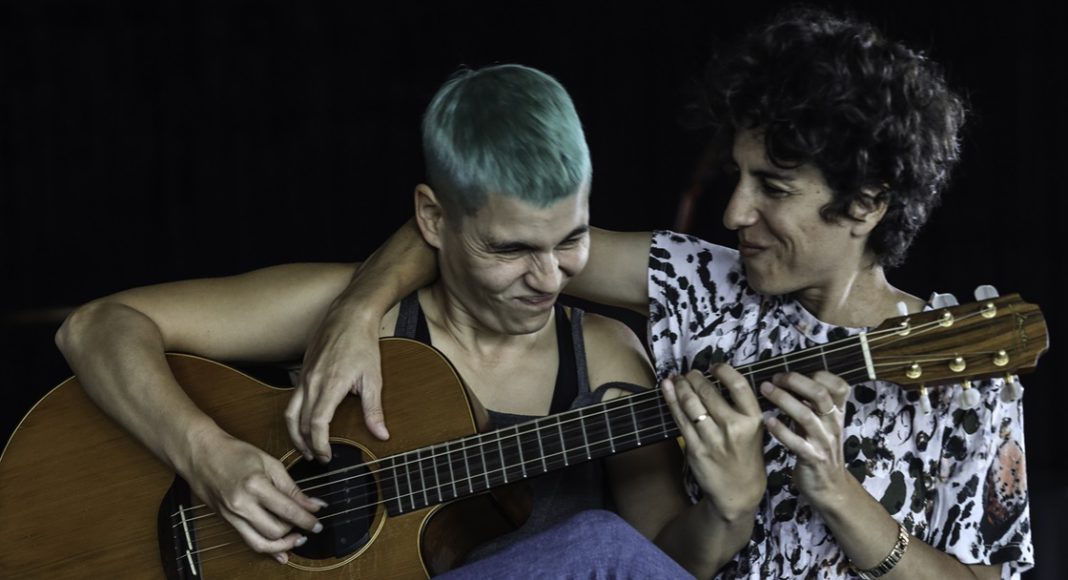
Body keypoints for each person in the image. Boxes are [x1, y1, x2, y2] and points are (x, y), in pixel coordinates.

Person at [296, 8, 1033, 579]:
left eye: (772, 188)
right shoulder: (697, 277)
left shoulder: (968, 390)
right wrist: (359, 312)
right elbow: (481, 227)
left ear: (867, 204)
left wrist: (837, 492)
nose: (734, 212)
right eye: (737, 177)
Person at [56, 64, 726, 576]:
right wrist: (207, 456)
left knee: (600, 548)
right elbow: (96, 325)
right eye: (511, 249)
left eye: (571, 239)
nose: (550, 277)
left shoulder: (606, 358)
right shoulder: (355, 314)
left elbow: (655, 566)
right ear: (432, 218)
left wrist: (733, 509)